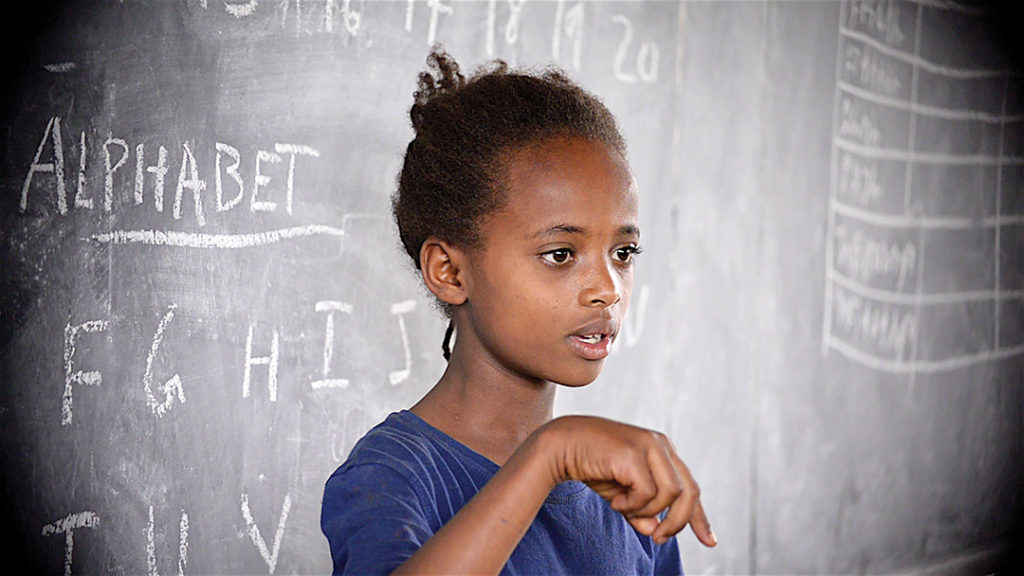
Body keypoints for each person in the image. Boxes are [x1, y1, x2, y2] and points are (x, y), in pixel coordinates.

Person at [320, 46, 717, 575]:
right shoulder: (392, 475)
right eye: (560, 254)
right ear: (450, 271)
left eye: (623, 254)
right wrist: (549, 454)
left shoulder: (631, 494)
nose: (607, 288)